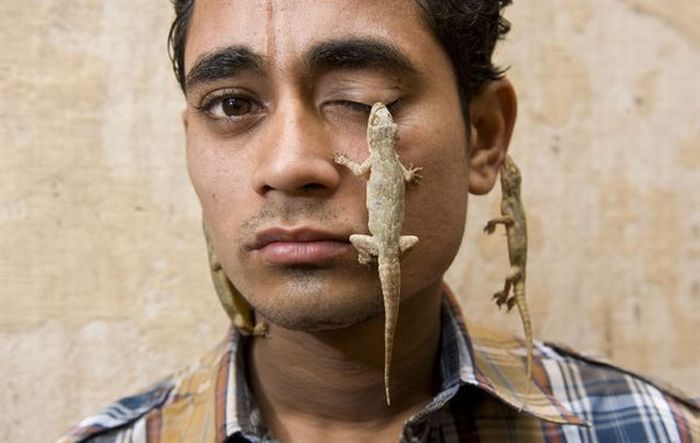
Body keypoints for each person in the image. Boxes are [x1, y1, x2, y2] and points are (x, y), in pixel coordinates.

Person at [59, 1, 698, 442]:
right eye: (231, 104)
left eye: (361, 100)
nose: (288, 164)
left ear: (483, 136)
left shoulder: (654, 429)